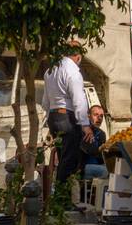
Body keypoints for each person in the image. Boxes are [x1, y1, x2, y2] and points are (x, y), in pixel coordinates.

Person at [44, 44, 88, 189]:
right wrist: (85, 125)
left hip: (53, 116)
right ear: (78, 56)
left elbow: (46, 100)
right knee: (69, 159)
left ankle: (60, 196)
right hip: (66, 118)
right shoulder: (73, 72)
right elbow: (79, 101)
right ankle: (62, 199)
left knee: (62, 157)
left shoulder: (50, 70)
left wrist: (49, 120)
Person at [79, 104, 108, 181]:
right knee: (108, 172)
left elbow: (101, 156)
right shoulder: (84, 131)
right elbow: (90, 150)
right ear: (88, 116)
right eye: (96, 115)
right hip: (83, 167)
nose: (99, 118)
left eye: (101, 116)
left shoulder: (102, 133)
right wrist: (102, 150)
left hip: (97, 165)